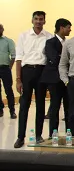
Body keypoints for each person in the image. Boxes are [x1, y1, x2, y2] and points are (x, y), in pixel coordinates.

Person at [14, 11, 53, 148]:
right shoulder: (23, 36)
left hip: (42, 72)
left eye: (41, 19)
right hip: (27, 72)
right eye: (36, 19)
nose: (38, 21)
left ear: (44, 21)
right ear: (32, 20)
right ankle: (20, 137)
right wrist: (18, 79)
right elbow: (19, 58)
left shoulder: (49, 37)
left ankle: (38, 135)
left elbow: (50, 59)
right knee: (24, 105)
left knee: (41, 105)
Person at [40, 19, 71, 138]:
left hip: (67, 79)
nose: (70, 30)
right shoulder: (50, 42)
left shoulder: (69, 42)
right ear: (61, 28)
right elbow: (54, 58)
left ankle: (70, 133)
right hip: (54, 79)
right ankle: (53, 134)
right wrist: (66, 60)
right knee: (55, 107)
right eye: (68, 27)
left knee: (69, 107)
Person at [0, 24, 16, 119]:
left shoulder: (8, 41)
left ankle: (12, 111)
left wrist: (9, 67)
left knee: (8, 90)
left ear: (2, 29)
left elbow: (13, 56)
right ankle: (0, 109)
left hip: (5, 68)